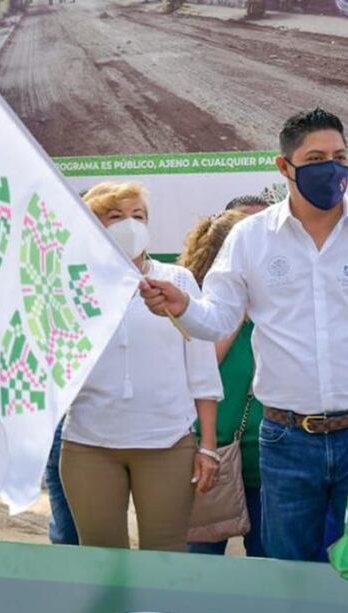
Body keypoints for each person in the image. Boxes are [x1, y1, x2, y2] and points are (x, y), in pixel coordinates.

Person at [140, 109, 348, 562]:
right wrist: (184, 310)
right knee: (286, 571)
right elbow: (217, 319)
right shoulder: (251, 238)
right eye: (316, 157)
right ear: (284, 167)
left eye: (340, 156)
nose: (332, 168)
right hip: (287, 440)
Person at [59, 181, 223, 552]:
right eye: (115, 217)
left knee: (165, 557)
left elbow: (201, 370)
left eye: (139, 216)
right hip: (89, 444)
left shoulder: (177, 281)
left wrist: (208, 447)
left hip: (166, 444)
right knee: (101, 558)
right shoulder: (71, 286)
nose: (130, 225)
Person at [179, 209, 271, 557]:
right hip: (208, 458)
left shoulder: (274, 308)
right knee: (198, 566)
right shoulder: (196, 308)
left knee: (269, 569)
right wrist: (235, 311)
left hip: (266, 461)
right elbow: (201, 367)